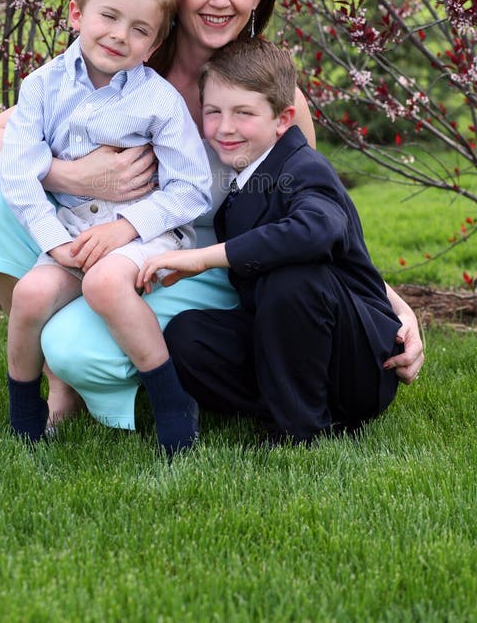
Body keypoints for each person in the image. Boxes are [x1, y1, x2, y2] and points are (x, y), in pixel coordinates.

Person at [0, 0, 424, 440]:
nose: (219, 1)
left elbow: (315, 215)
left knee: (76, 350)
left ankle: (78, 364)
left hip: (199, 260)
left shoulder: (267, 94)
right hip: (97, 230)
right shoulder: (128, 57)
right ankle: (57, 376)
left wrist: (391, 306)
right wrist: (72, 176)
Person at [138, 38, 404, 444]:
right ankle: (287, 403)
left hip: (358, 362)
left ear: (283, 120)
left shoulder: (303, 167)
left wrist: (207, 257)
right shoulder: (244, 181)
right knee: (188, 336)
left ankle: (299, 430)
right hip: (289, 342)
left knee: (291, 276)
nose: (225, 128)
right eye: (213, 112)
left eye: (244, 113)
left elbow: (316, 231)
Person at [0, 0, 211, 451]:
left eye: (140, 29)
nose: (120, 35)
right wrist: (54, 244)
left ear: (155, 44)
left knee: (106, 281)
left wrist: (126, 228)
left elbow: (192, 187)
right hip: (71, 231)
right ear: (76, 14)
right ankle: (25, 408)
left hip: (143, 232)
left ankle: (172, 401)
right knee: (29, 295)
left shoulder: (158, 100)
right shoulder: (41, 87)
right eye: (108, 17)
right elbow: (18, 175)